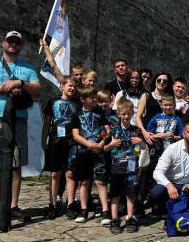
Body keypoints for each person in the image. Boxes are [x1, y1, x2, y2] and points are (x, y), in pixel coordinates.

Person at [0, 31, 42, 229]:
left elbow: (37, 90)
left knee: (15, 166)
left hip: (18, 120)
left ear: (21, 46)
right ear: (3, 43)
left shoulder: (27, 68)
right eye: (10, 41)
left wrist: (20, 83)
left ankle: (12, 206)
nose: (13, 44)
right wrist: (5, 87)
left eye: (17, 42)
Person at [69, 87, 111, 224]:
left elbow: (107, 130)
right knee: (85, 182)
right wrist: (89, 145)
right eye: (91, 97)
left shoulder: (99, 112)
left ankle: (105, 212)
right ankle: (84, 210)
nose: (94, 99)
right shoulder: (76, 114)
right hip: (83, 152)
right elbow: (75, 135)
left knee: (100, 181)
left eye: (94, 97)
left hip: (99, 151)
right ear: (83, 99)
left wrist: (102, 143)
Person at [104, 99, 146, 234]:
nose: (126, 116)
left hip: (131, 168)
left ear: (132, 113)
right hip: (116, 168)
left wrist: (140, 142)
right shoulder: (114, 131)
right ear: (118, 114)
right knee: (115, 194)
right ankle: (115, 219)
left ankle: (130, 218)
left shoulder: (136, 130)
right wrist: (112, 144)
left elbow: (141, 150)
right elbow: (104, 149)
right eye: (123, 114)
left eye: (128, 113)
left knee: (130, 194)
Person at [41, 76, 80, 219]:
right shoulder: (52, 102)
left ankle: (70, 204)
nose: (72, 88)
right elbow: (46, 123)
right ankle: (52, 204)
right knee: (54, 174)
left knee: (70, 173)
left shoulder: (77, 103)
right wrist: (43, 140)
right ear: (62, 86)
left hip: (72, 142)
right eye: (69, 85)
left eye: (74, 87)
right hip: (55, 142)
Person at [135, 71, 171, 146]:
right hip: (147, 135)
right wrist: (144, 133)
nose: (161, 82)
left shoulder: (169, 98)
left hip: (163, 138)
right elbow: (138, 117)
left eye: (165, 81)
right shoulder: (146, 96)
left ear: (167, 84)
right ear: (155, 81)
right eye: (159, 80)